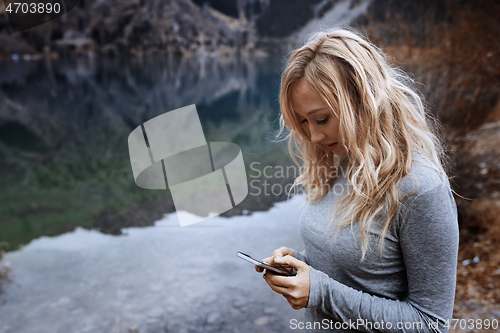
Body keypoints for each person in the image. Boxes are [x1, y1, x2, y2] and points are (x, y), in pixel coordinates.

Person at [254, 28, 459, 333]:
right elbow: (358, 270)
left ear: (365, 100)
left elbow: (430, 324)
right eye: (303, 122)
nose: (314, 136)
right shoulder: (343, 160)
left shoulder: (422, 189)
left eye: (322, 119)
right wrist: (301, 265)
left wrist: (320, 292)